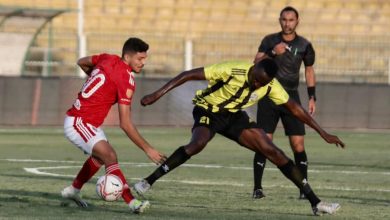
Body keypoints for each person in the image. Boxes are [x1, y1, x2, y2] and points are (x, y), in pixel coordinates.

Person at [132, 58, 345, 215]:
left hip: (234, 116)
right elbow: (187, 75)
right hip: (208, 110)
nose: (256, 86)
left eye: (261, 84)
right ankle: (148, 181)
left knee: (274, 151)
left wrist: (322, 132)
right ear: (254, 68)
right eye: (255, 81)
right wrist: (157, 94)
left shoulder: (270, 85)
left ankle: (315, 203)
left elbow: (295, 109)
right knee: (197, 144)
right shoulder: (233, 69)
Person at [61, 37, 166, 214]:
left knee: (101, 158)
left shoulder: (107, 58)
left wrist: (97, 79)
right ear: (127, 56)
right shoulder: (126, 79)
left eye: (145, 59)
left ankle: (73, 190)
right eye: (140, 59)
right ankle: (132, 202)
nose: (143, 63)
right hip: (79, 121)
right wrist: (148, 149)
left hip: (87, 123)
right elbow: (125, 123)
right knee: (110, 155)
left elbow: (81, 62)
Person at [252, 6, 317, 200]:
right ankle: (257, 188)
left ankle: (303, 190)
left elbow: (309, 70)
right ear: (279, 20)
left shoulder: (305, 44)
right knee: (264, 142)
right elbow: (256, 62)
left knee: (298, 145)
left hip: (291, 98)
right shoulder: (269, 41)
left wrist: (312, 96)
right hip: (269, 96)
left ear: (297, 21)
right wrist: (272, 52)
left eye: (291, 20)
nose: (287, 23)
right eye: (284, 19)